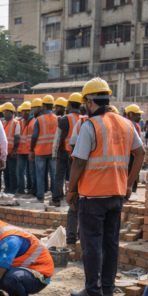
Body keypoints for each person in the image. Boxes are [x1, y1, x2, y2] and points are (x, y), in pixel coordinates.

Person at [67, 78, 144, 296]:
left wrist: (71, 190)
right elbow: (140, 154)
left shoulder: (91, 125)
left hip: (93, 195)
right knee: (110, 243)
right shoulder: (126, 123)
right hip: (117, 194)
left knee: (91, 243)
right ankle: (107, 288)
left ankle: (93, 290)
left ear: (90, 101)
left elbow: (79, 162)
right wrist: (129, 183)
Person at [64, 92, 87, 245]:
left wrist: (71, 188)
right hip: (101, 180)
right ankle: (81, 238)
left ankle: (72, 238)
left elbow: (73, 155)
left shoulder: (82, 123)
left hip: (82, 175)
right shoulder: (119, 123)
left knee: (74, 206)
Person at [30, 95, 58, 203]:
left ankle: (40, 197)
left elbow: (34, 136)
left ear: (44, 106)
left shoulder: (39, 119)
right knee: (54, 175)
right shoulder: (57, 118)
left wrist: (31, 150)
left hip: (41, 152)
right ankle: (55, 196)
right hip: (53, 152)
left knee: (40, 175)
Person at [50, 97, 71, 207]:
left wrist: (54, 153)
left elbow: (58, 137)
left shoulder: (65, 119)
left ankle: (56, 199)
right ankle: (73, 197)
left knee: (59, 176)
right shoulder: (83, 119)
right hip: (76, 154)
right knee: (73, 176)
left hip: (64, 152)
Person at [0, 103, 21, 195]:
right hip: (4, 152)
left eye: (5, 112)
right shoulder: (3, 123)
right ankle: (7, 189)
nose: (4, 114)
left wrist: (15, 149)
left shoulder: (16, 123)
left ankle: (14, 189)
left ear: (10, 112)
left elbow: (17, 137)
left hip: (11, 152)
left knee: (12, 171)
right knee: (6, 171)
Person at [17, 102, 35, 198]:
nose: (22, 113)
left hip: (28, 150)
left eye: (24, 111)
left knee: (29, 172)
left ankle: (30, 190)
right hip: (21, 151)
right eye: (21, 111)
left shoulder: (32, 122)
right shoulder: (19, 122)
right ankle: (21, 190)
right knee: (20, 171)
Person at [124, 105, 143, 193]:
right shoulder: (130, 124)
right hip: (131, 152)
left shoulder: (133, 124)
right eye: (137, 114)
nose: (140, 117)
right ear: (130, 114)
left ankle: (130, 188)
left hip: (131, 151)